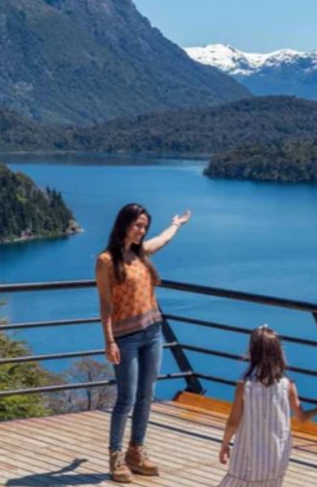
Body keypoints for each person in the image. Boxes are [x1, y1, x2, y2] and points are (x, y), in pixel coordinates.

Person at [95, 203, 190, 484]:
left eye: (145, 226)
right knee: (126, 399)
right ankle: (115, 458)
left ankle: (136, 453)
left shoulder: (142, 253)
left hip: (153, 333)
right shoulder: (106, 261)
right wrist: (109, 341)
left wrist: (177, 223)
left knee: (147, 395)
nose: (142, 230)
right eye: (137, 225)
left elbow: (165, 238)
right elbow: (105, 304)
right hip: (125, 338)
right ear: (124, 224)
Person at [217, 326, 317, 487]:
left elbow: (233, 422)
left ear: (252, 353)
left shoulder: (244, 386)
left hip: (247, 457)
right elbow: (302, 417)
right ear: (279, 353)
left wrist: (224, 445)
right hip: (276, 456)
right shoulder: (288, 385)